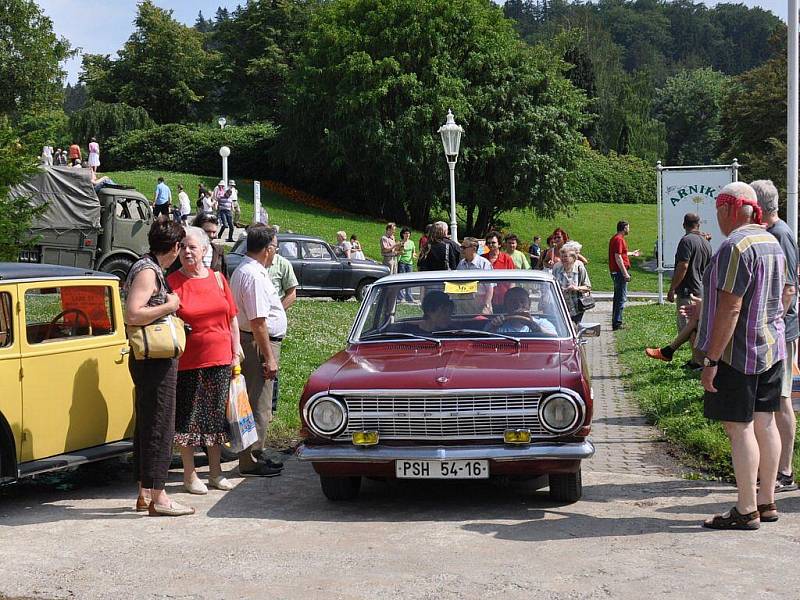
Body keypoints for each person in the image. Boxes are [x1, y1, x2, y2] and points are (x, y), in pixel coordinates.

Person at [697, 181, 785, 530]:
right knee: (765, 423)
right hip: (772, 347)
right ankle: (767, 501)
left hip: (739, 354)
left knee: (739, 427)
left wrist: (711, 360)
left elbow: (731, 308)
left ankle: (746, 508)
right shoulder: (771, 241)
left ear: (729, 209)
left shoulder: (735, 246)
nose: (716, 216)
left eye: (718, 208)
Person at [124, 220, 194, 517]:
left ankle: (144, 493)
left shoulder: (147, 267)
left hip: (150, 359)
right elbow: (133, 313)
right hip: (155, 360)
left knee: (148, 423)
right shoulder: (148, 271)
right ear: (176, 247)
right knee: (160, 426)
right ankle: (159, 497)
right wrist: (170, 305)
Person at [167, 227, 240, 495]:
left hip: (220, 360)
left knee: (215, 419)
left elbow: (231, 317)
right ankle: (189, 475)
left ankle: (216, 472)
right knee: (188, 419)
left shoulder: (219, 279)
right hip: (188, 363)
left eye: (193, 247)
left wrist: (236, 351)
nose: (187, 251)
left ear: (205, 251)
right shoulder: (172, 282)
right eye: (183, 246)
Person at [752, 179, 799, 493]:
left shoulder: (780, 235)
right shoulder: (773, 233)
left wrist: (772, 323)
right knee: (774, 400)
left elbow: (789, 289)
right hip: (776, 330)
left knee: (781, 400)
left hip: (781, 331)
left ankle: (784, 471)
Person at [229, 225, 286, 476]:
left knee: (256, 400)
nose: (275, 252)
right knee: (258, 402)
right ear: (268, 249)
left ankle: (256, 453)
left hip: (255, 340)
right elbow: (258, 321)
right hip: (257, 344)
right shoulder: (252, 275)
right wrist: (269, 357)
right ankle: (250, 458)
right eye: (275, 247)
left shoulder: (249, 270)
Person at [647, 213, 712, 367]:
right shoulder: (706, 242)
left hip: (687, 289)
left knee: (688, 328)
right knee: (694, 326)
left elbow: (683, 266)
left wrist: (672, 288)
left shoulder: (686, 240)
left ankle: (699, 362)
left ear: (684, 225)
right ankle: (696, 360)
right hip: (700, 289)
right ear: (699, 224)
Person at [488, 286, 558, 336]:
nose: (519, 305)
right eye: (513, 302)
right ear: (506, 306)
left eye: (522, 301)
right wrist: (494, 327)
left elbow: (556, 339)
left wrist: (532, 325)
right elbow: (483, 343)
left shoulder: (542, 323)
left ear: (529, 304)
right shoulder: (497, 324)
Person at [608, 220, 640, 331]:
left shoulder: (616, 238)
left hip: (617, 272)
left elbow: (621, 253)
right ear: (624, 228)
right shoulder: (619, 239)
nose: (629, 229)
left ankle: (616, 321)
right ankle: (617, 323)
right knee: (620, 298)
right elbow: (618, 257)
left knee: (618, 297)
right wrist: (625, 273)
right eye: (628, 227)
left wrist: (632, 253)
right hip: (619, 273)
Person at [553, 241, 592, 324]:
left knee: (575, 328)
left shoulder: (579, 267)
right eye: (562, 257)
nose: (563, 259)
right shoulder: (557, 267)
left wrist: (576, 288)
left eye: (566, 257)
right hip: (561, 306)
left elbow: (588, 287)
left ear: (573, 258)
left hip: (576, 306)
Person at [456, 237, 493, 313]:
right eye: (461, 247)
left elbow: (490, 288)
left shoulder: (484, 264)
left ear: (473, 249)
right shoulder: (461, 264)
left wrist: (486, 306)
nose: (461, 250)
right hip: (464, 307)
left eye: (464, 247)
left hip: (481, 307)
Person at [484, 231, 515, 308]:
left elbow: (512, 281)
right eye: (488, 243)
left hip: (504, 300)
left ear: (499, 244)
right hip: (486, 300)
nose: (490, 245)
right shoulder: (482, 259)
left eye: (493, 243)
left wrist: (510, 297)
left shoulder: (507, 259)